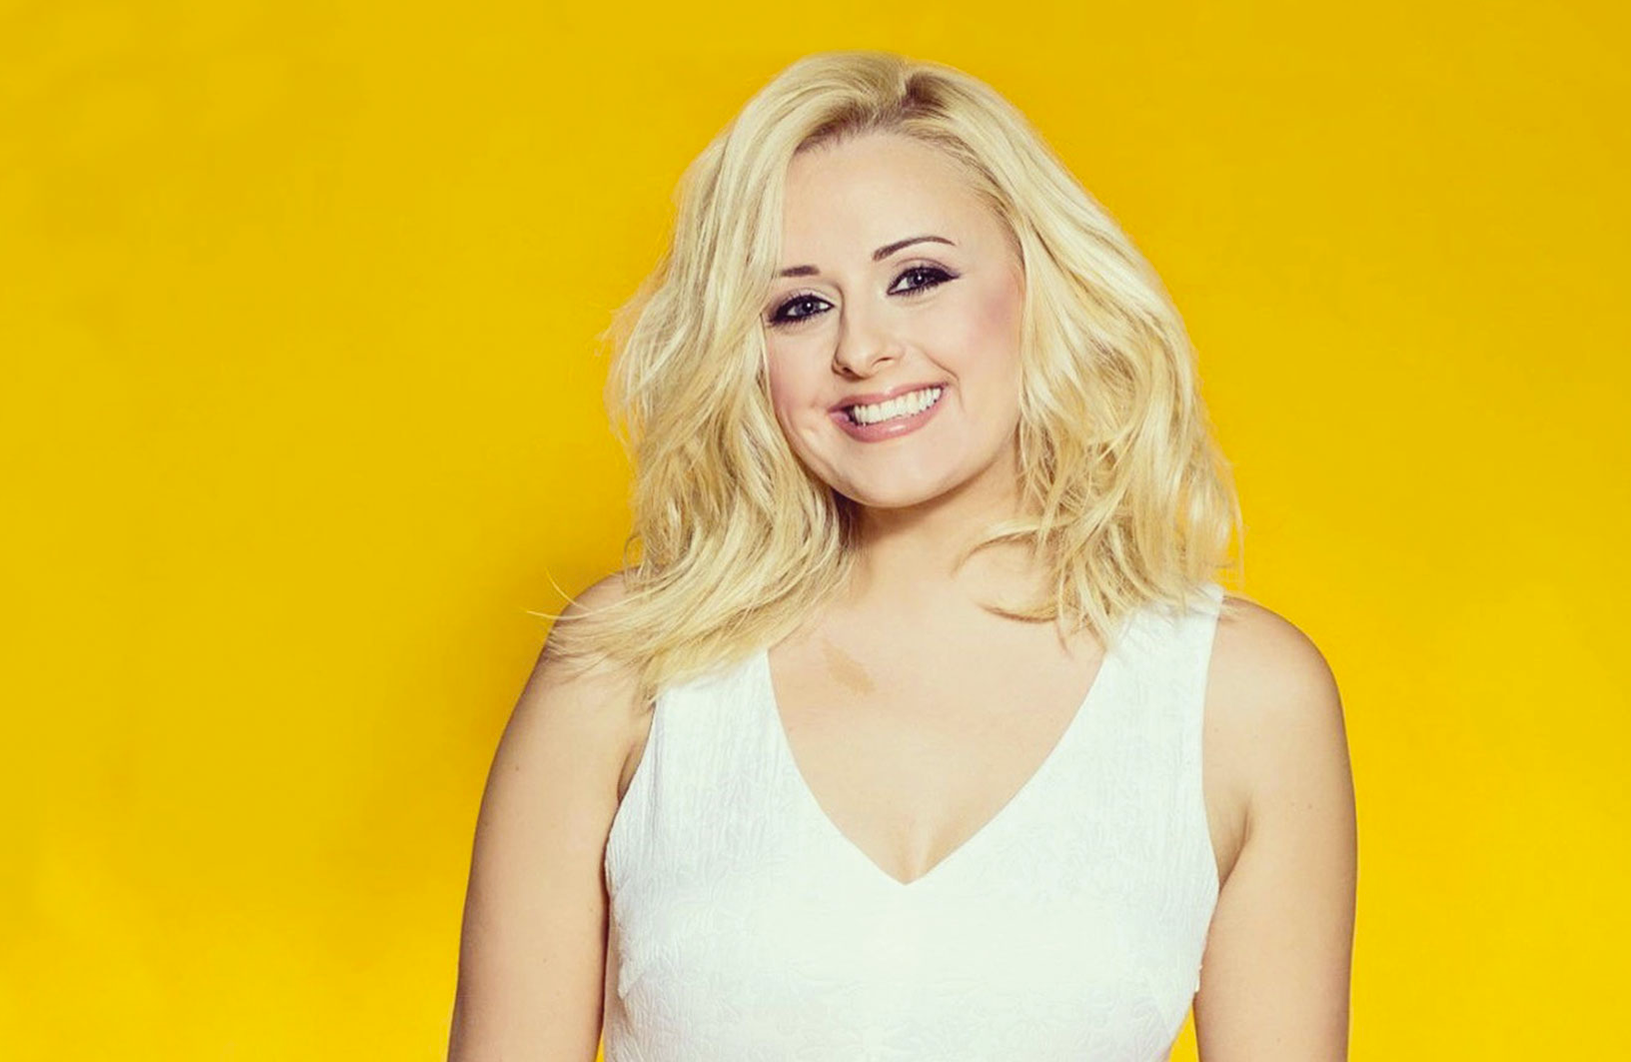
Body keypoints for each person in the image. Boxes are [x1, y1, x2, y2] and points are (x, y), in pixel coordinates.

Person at [448, 51, 1356, 1062]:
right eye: (798, 306)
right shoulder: (626, 669)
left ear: (1040, 286)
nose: (862, 349)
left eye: (918, 278)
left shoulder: (1240, 699)